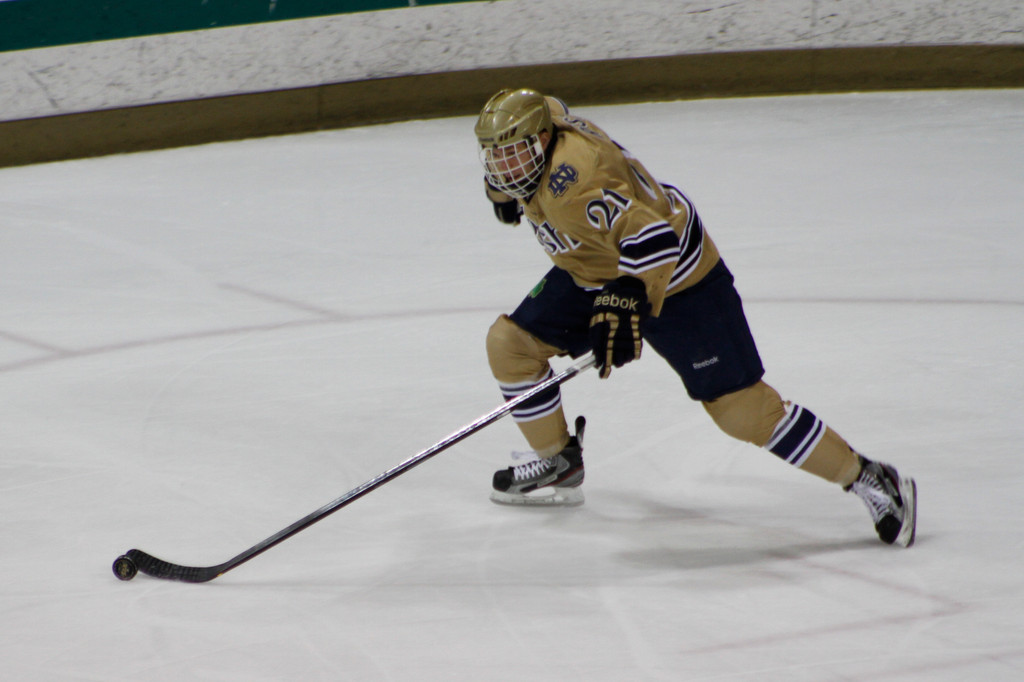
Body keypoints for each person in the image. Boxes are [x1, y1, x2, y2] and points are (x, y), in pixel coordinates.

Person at [474, 88, 917, 547]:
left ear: (544, 140)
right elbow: (549, 108)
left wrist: (628, 298)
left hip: (682, 280)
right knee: (510, 345)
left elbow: (655, 237)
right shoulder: (542, 120)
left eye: (512, 157)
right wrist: (502, 188)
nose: (503, 168)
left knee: (743, 413)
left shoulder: (576, 183)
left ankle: (869, 477)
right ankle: (557, 462)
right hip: (594, 269)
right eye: (495, 158)